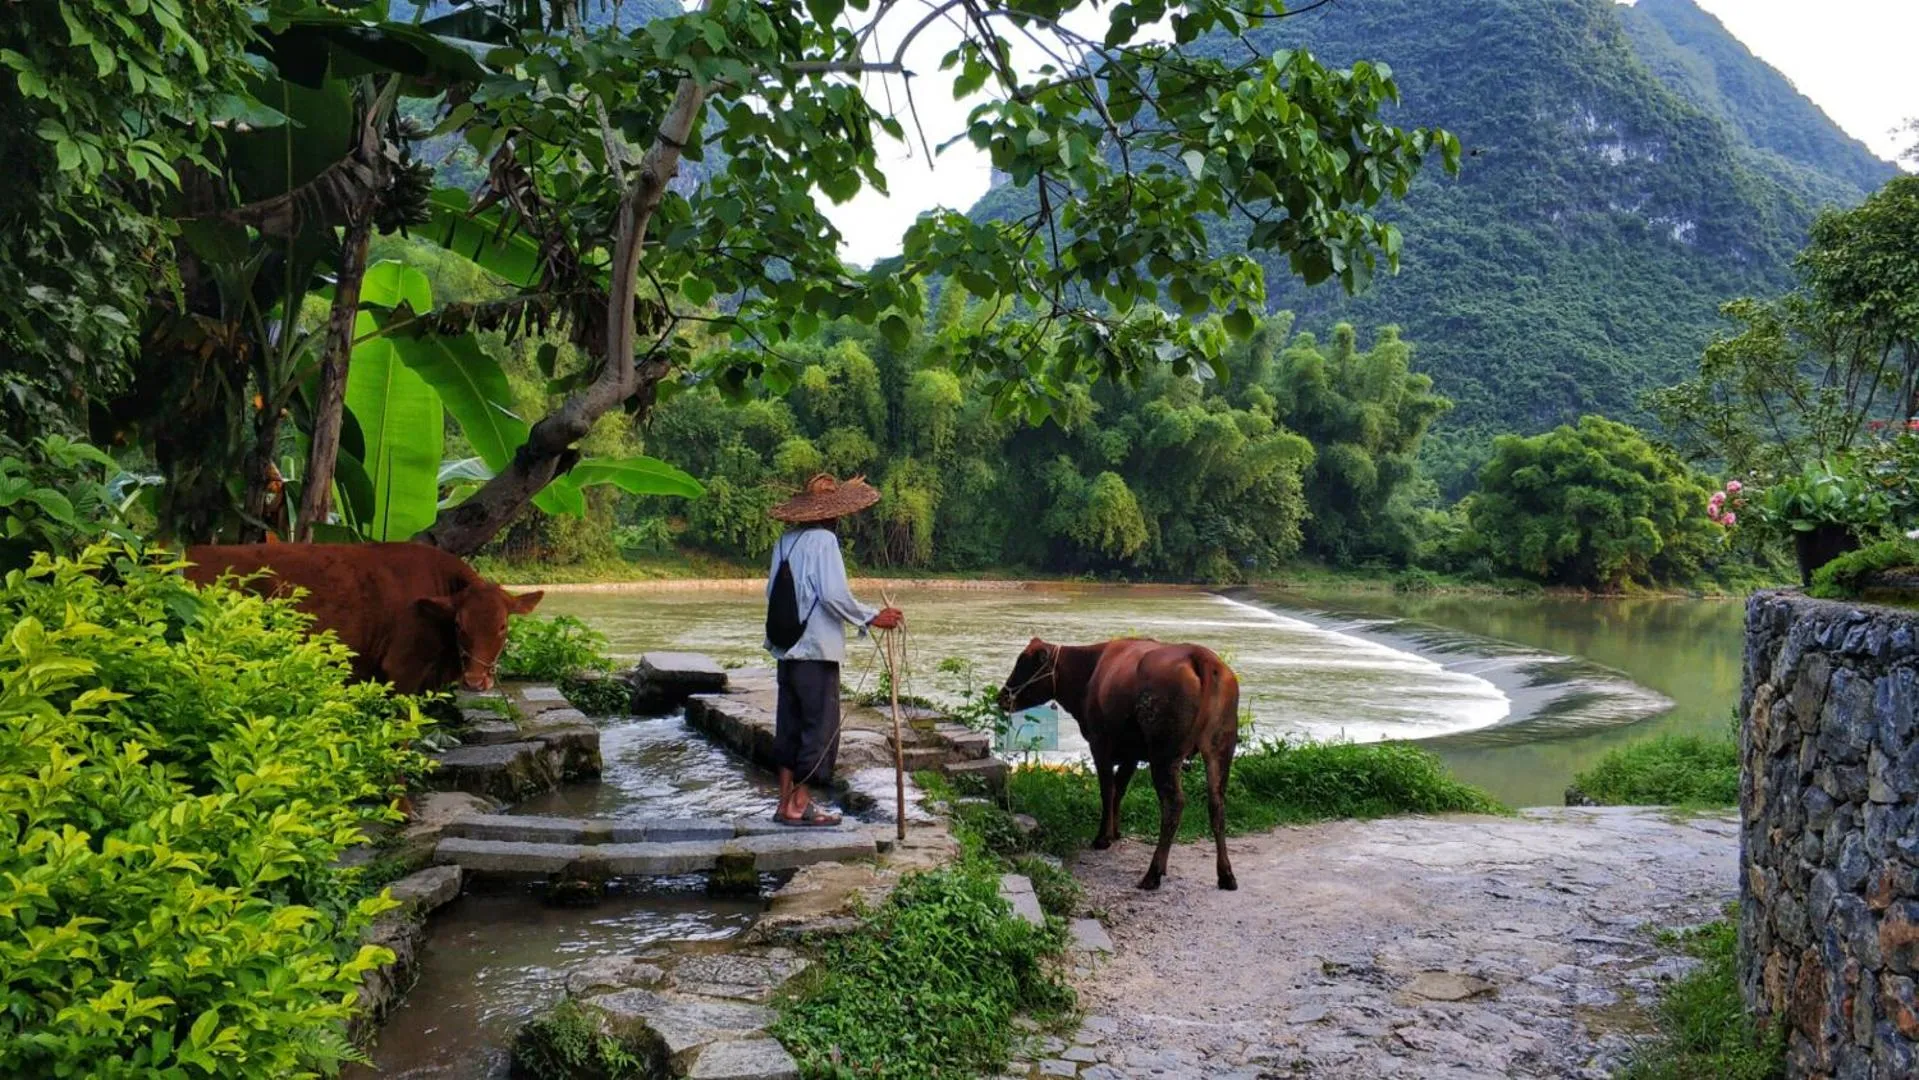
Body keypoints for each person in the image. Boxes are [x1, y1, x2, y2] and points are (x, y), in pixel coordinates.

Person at [764, 474, 903, 826]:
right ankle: (800, 805)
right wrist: (873, 617)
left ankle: (784, 803)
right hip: (816, 651)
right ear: (833, 515)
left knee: (789, 726)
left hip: (787, 650)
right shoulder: (824, 542)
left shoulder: (785, 542)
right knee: (819, 728)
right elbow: (832, 596)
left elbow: (772, 594)